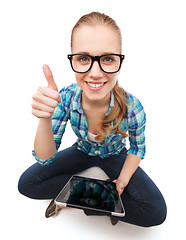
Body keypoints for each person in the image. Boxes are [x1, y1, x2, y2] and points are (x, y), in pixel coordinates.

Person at [18, 11, 167, 227]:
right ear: (73, 60)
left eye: (107, 59)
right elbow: (44, 158)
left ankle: (73, 199)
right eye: (84, 59)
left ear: (120, 62)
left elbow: (137, 148)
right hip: (83, 151)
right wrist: (45, 118)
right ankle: (103, 200)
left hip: (115, 155)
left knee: (155, 212)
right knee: (28, 184)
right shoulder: (66, 97)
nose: (95, 73)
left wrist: (123, 180)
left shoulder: (133, 107)